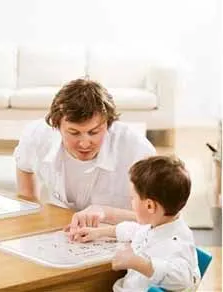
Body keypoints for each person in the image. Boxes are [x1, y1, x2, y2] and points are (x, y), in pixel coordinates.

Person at [13, 78, 156, 230]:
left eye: (94, 132)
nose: (85, 143)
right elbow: (24, 169)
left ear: (108, 123)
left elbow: (160, 219)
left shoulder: (137, 149)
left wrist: (105, 212)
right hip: (62, 229)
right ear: (57, 125)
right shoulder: (36, 136)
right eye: (74, 133)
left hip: (118, 232)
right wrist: (32, 219)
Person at [69, 155, 200, 292]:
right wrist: (98, 232)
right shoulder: (161, 223)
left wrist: (139, 263)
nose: (131, 202)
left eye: (133, 198)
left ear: (150, 206)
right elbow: (135, 230)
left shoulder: (176, 244)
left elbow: (183, 279)